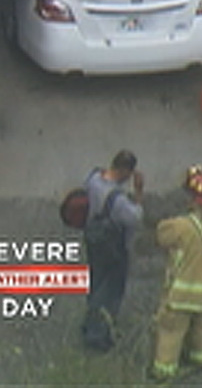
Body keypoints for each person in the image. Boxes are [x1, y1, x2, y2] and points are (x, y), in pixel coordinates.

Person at [149, 166, 202, 382]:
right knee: (201, 326)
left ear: (193, 199)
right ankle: (200, 357)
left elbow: (162, 236)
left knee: (171, 330)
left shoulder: (181, 226)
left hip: (181, 293)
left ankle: (164, 369)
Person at [81, 149, 144, 351]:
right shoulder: (118, 200)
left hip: (93, 239)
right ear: (125, 170)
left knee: (96, 281)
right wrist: (139, 193)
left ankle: (89, 321)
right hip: (113, 247)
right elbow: (135, 218)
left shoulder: (93, 179)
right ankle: (98, 335)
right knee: (110, 291)